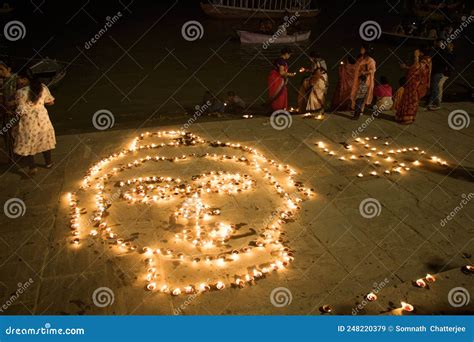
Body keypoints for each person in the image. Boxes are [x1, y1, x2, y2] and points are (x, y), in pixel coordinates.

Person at [13, 74, 56, 175]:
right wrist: (39, 104)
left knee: (27, 142)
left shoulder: (20, 92)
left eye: (20, 79)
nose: (18, 81)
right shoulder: (43, 87)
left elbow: (21, 110)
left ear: (25, 79)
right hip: (42, 118)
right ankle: (48, 163)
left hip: (28, 121)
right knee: (44, 139)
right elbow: (51, 102)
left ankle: (32, 167)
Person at [395, 48, 432, 124]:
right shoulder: (428, 60)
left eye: (418, 52)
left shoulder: (424, 61)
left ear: (421, 53)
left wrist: (416, 57)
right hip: (418, 84)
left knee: (410, 100)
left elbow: (415, 69)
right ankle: (409, 118)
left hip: (414, 84)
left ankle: (406, 118)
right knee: (413, 101)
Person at [267, 47, 295, 111]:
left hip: (273, 78)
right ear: (286, 54)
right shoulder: (282, 62)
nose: (289, 56)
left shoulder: (278, 60)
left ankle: (274, 108)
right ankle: (278, 108)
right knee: (280, 94)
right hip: (277, 79)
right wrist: (291, 74)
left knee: (275, 93)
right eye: (289, 54)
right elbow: (281, 72)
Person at [350, 44, 376, 113]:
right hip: (358, 80)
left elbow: (373, 70)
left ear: (366, 50)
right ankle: (357, 110)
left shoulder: (371, 60)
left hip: (364, 81)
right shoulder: (361, 58)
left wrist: (364, 72)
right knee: (356, 95)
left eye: (362, 48)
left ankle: (357, 113)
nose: (360, 49)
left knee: (360, 97)